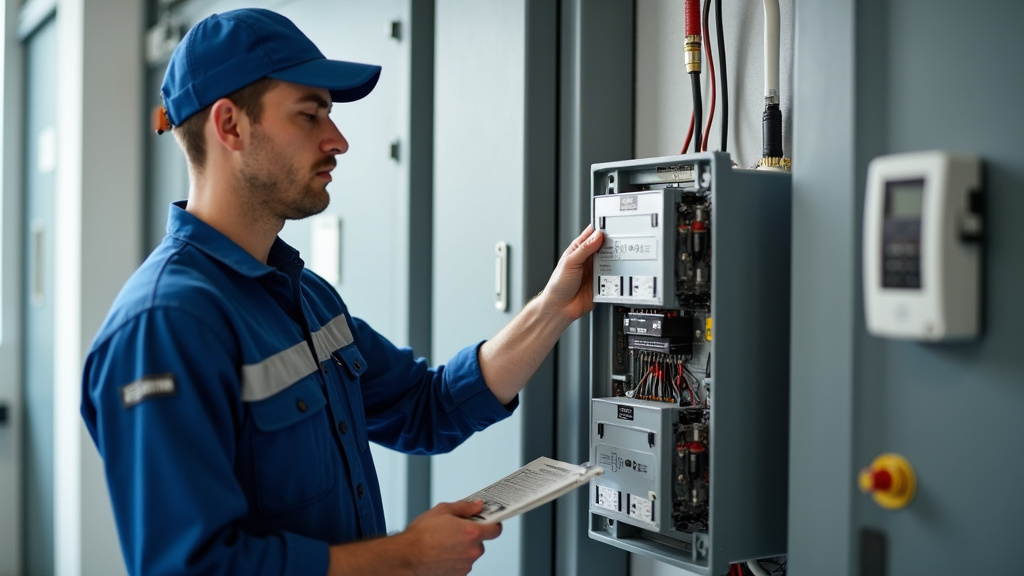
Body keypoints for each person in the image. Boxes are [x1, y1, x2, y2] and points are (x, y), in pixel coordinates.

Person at [80, 8, 603, 576]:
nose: (339, 141)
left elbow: (426, 407)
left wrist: (552, 309)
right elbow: (193, 567)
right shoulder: (165, 325)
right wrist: (405, 557)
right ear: (230, 126)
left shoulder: (307, 297)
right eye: (310, 115)